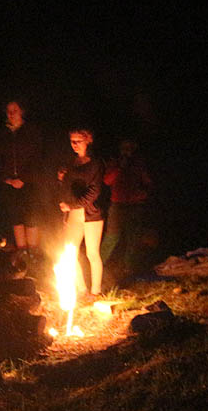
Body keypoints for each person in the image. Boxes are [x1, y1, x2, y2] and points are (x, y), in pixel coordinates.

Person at [57, 128, 105, 298]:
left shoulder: (95, 164)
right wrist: (62, 179)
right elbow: (68, 188)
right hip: (73, 215)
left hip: (91, 214)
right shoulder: (71, 163)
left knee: (92, 253)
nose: (75, 144)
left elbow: (94, 192)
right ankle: (81, 289)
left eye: (78, 141)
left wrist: (72, 205)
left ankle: (96, 291)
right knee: (70, 252)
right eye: (72, 141)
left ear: (87, 141)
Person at [0, 100, 43, 251]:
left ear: (21, 111)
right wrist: (6, 179)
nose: (11, 114)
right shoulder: (2, 134)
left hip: (30, 183)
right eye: (8, 111)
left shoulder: (31, 132)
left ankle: (33, 253)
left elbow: (37, 158)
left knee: (31, 217)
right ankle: (22, 253)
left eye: (14, 110)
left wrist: (24, 178)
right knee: (16, 218)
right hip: (10, 184)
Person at [101, 138, 154, 281]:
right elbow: (107, 181)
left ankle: (129, 269)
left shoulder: (139, 163)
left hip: (135, 205)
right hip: (118, 205)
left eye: (130, 148)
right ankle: (98, 265)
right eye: (125, 148)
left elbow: (148, 182)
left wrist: (144, 193)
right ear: (120, 149)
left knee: (133, 238)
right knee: (112, 236)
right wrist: (120, 167)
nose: (127, 151)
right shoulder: (114, 163)